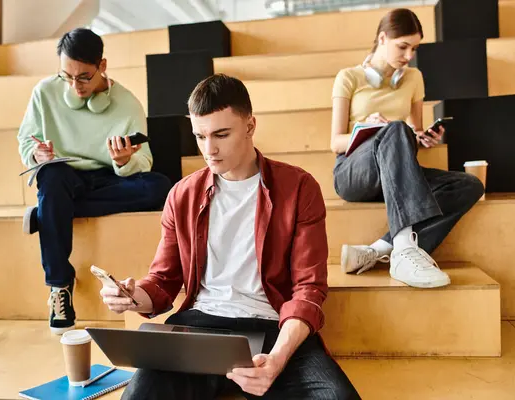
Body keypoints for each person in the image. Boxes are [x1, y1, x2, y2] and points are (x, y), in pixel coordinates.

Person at [100, 74, 361, 399]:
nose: (209, 149)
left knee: (338, 398)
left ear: (250, 126)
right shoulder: (182, 195)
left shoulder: (299, 188)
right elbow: (164, 281)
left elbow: (309, 288)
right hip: (199, 326)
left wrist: (277, 360)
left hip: (272, 326)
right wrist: (133, 296)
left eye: (221, 134)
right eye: (200, 136)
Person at [17, 28, 171, 334]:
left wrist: (124, 160)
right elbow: (25, 143)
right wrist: (37, 154)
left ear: (102, 65)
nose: (75, 85)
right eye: (67, 76)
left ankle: (49, 211)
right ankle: (60, 285)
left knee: (160, 186)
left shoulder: (127, 103)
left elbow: (145, 160)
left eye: (84, 77)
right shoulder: (44, 93)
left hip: (107, 180)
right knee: (52, 177)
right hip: (62, 175)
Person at [331, 9, 484, 288]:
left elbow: (411, 133)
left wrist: (423, 137)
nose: (409, 55)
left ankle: (379, 250)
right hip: (355, 172)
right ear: (382, 38)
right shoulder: (348, 77)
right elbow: (335, 141)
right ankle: (403, 249)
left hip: (397, 172)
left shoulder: (414, 78)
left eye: (414, 48)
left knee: (469, 185)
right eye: (403, 46)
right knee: (395, 129)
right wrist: (367, 126)